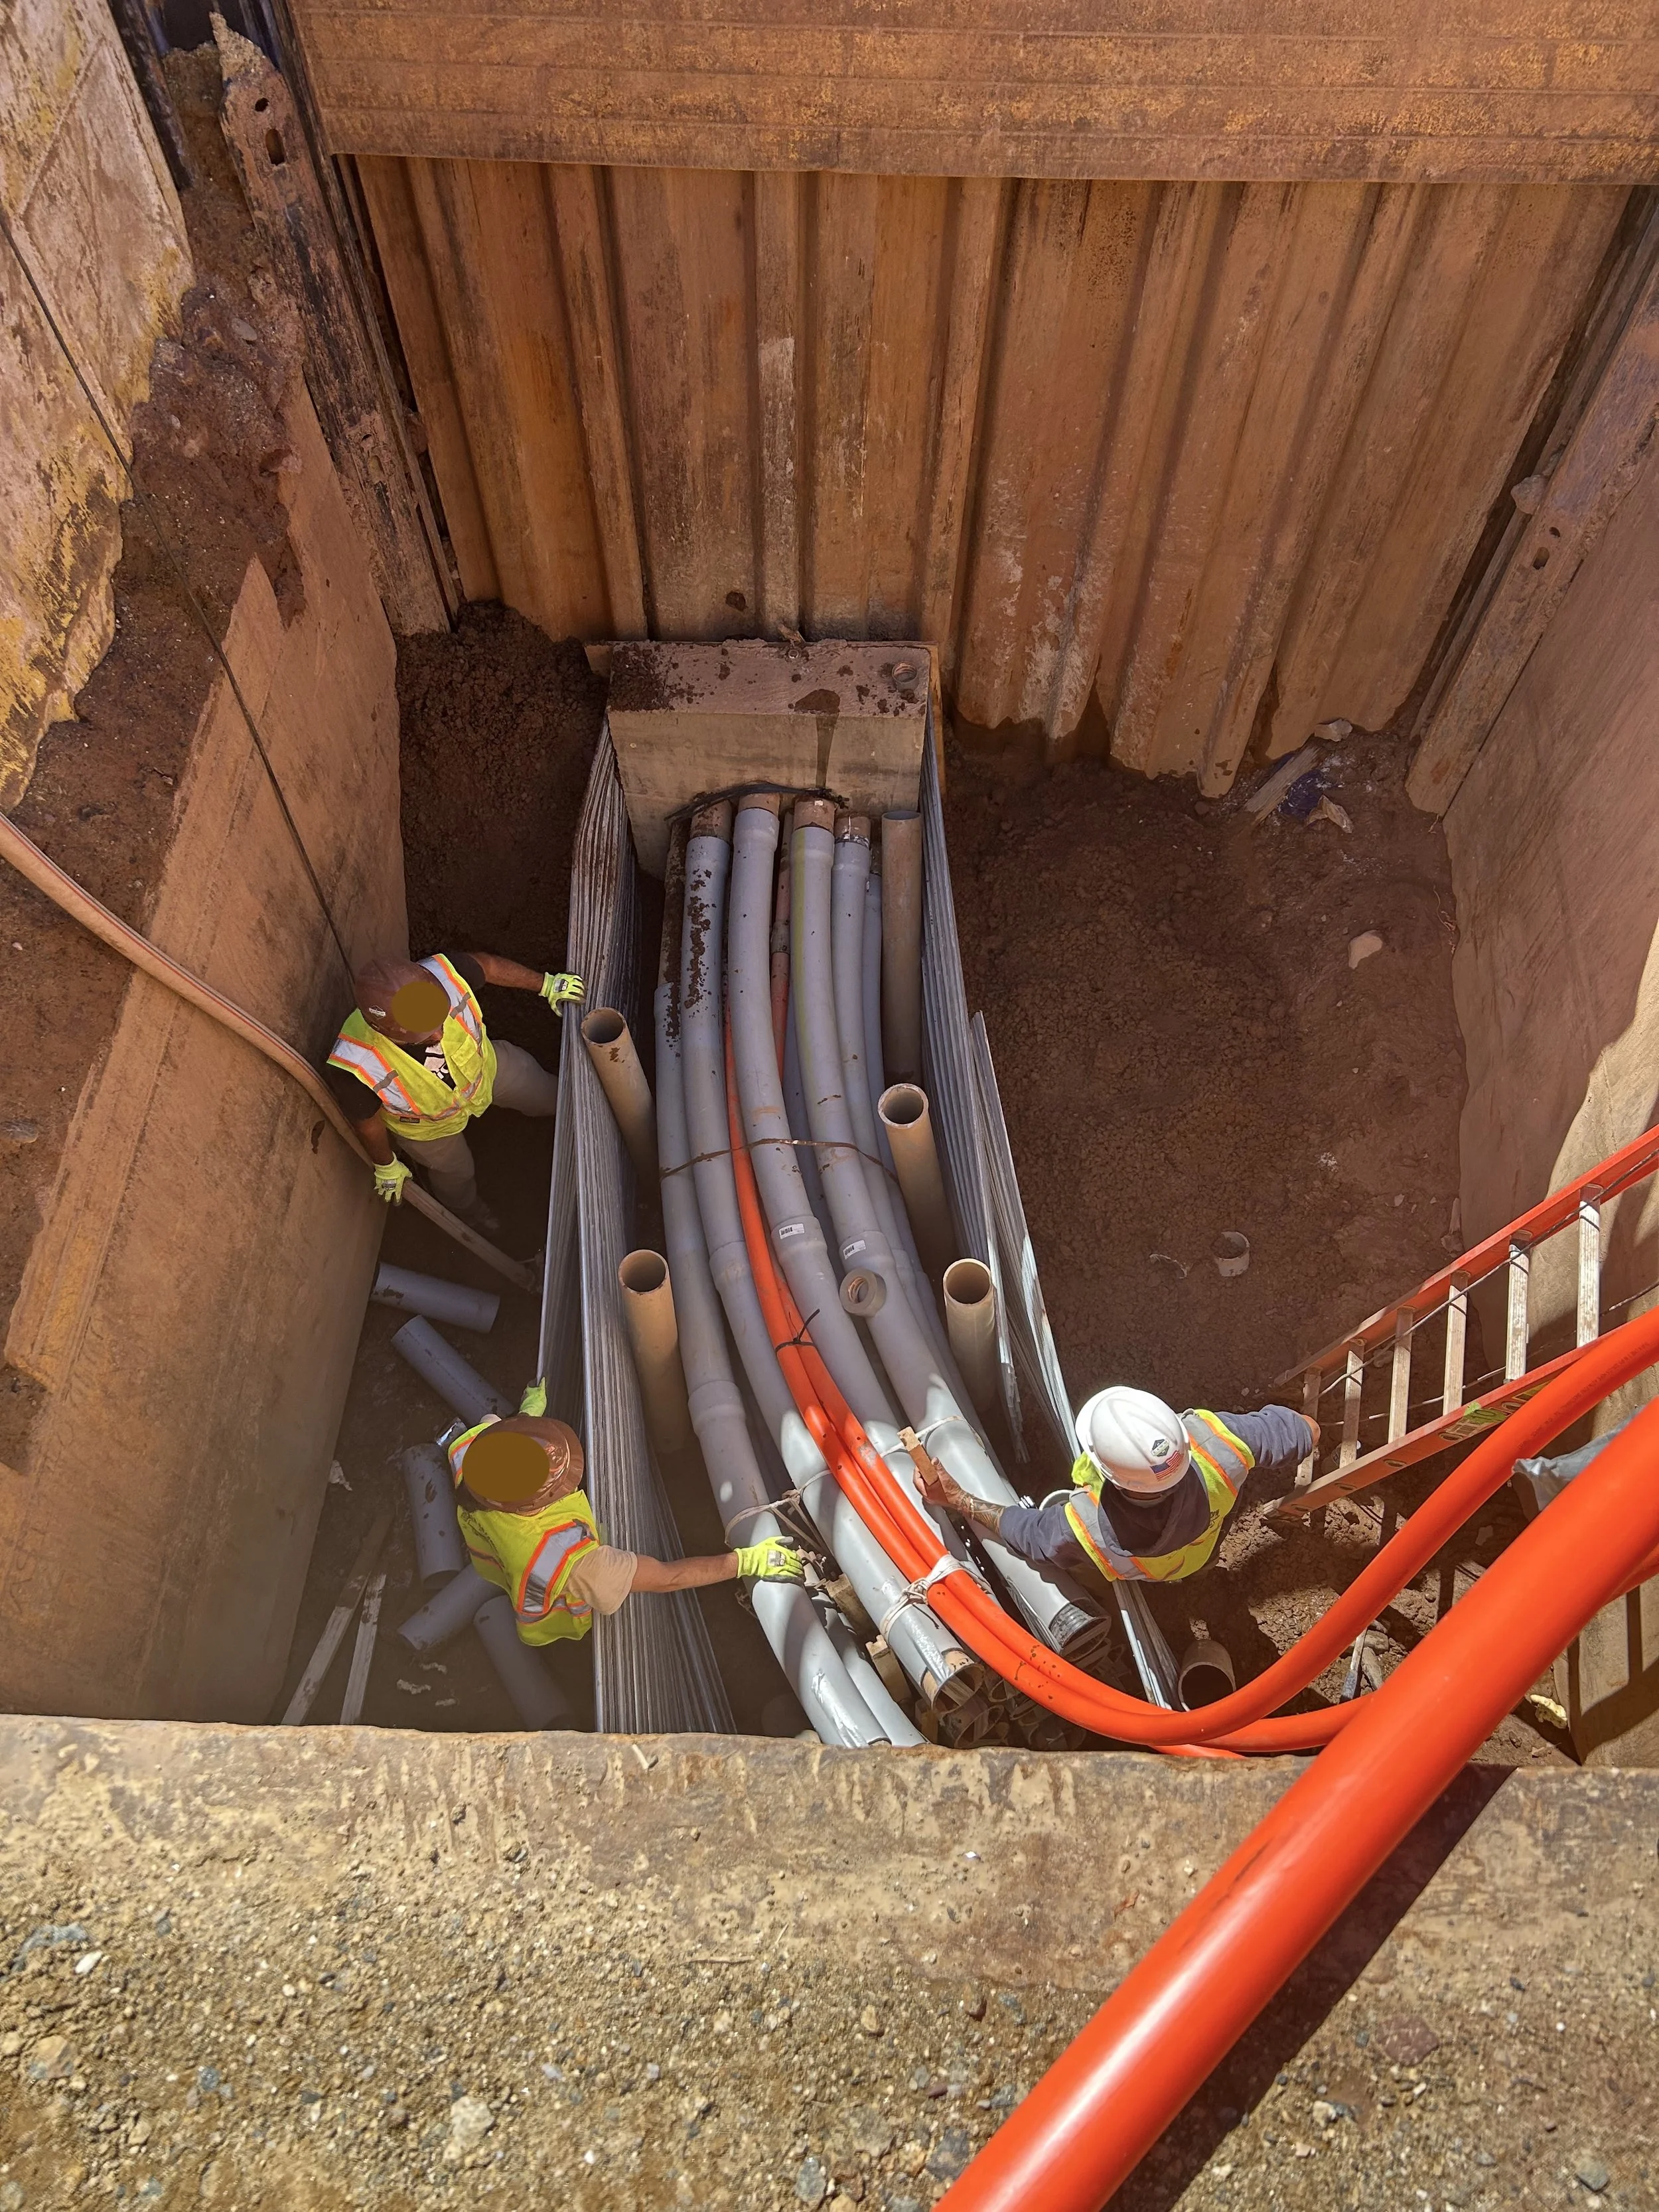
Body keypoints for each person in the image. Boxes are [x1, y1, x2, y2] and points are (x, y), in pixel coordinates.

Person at [449, 1383, 805, 1645]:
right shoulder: (573, 1562)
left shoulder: (468, 1451)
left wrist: (528, 1416)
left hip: (495, 1557)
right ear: (535, 1504)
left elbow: (493, 1426)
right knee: (560, 1622)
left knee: (508, 1569)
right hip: (554, 1610)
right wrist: (747, 1562)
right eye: (560, 1485)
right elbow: (669, 1577)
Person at [913, 1384, 1320, 1587]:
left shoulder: (1084, 1528)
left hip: (1156, 1574)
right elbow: (1306, 1432)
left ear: (1105, 1471)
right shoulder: (1219, 1441)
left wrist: (958, 1498)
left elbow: (1027, 1534)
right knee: (1203, 1551)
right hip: (1201, 1549)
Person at [325, 951, 584, 1232]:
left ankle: (577, 1113)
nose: (439, 1034)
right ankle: (470, 1214)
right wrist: (385, 1163)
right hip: (429, 1128)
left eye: (439, 1019)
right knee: (456, 1174)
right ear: (385, 1030)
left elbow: (490, 966)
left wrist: (547, 985)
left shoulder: (447, 974)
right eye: (424, 1033)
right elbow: (367, 1122)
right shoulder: (355, 1064)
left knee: (546, 1094)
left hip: (485, 1071)